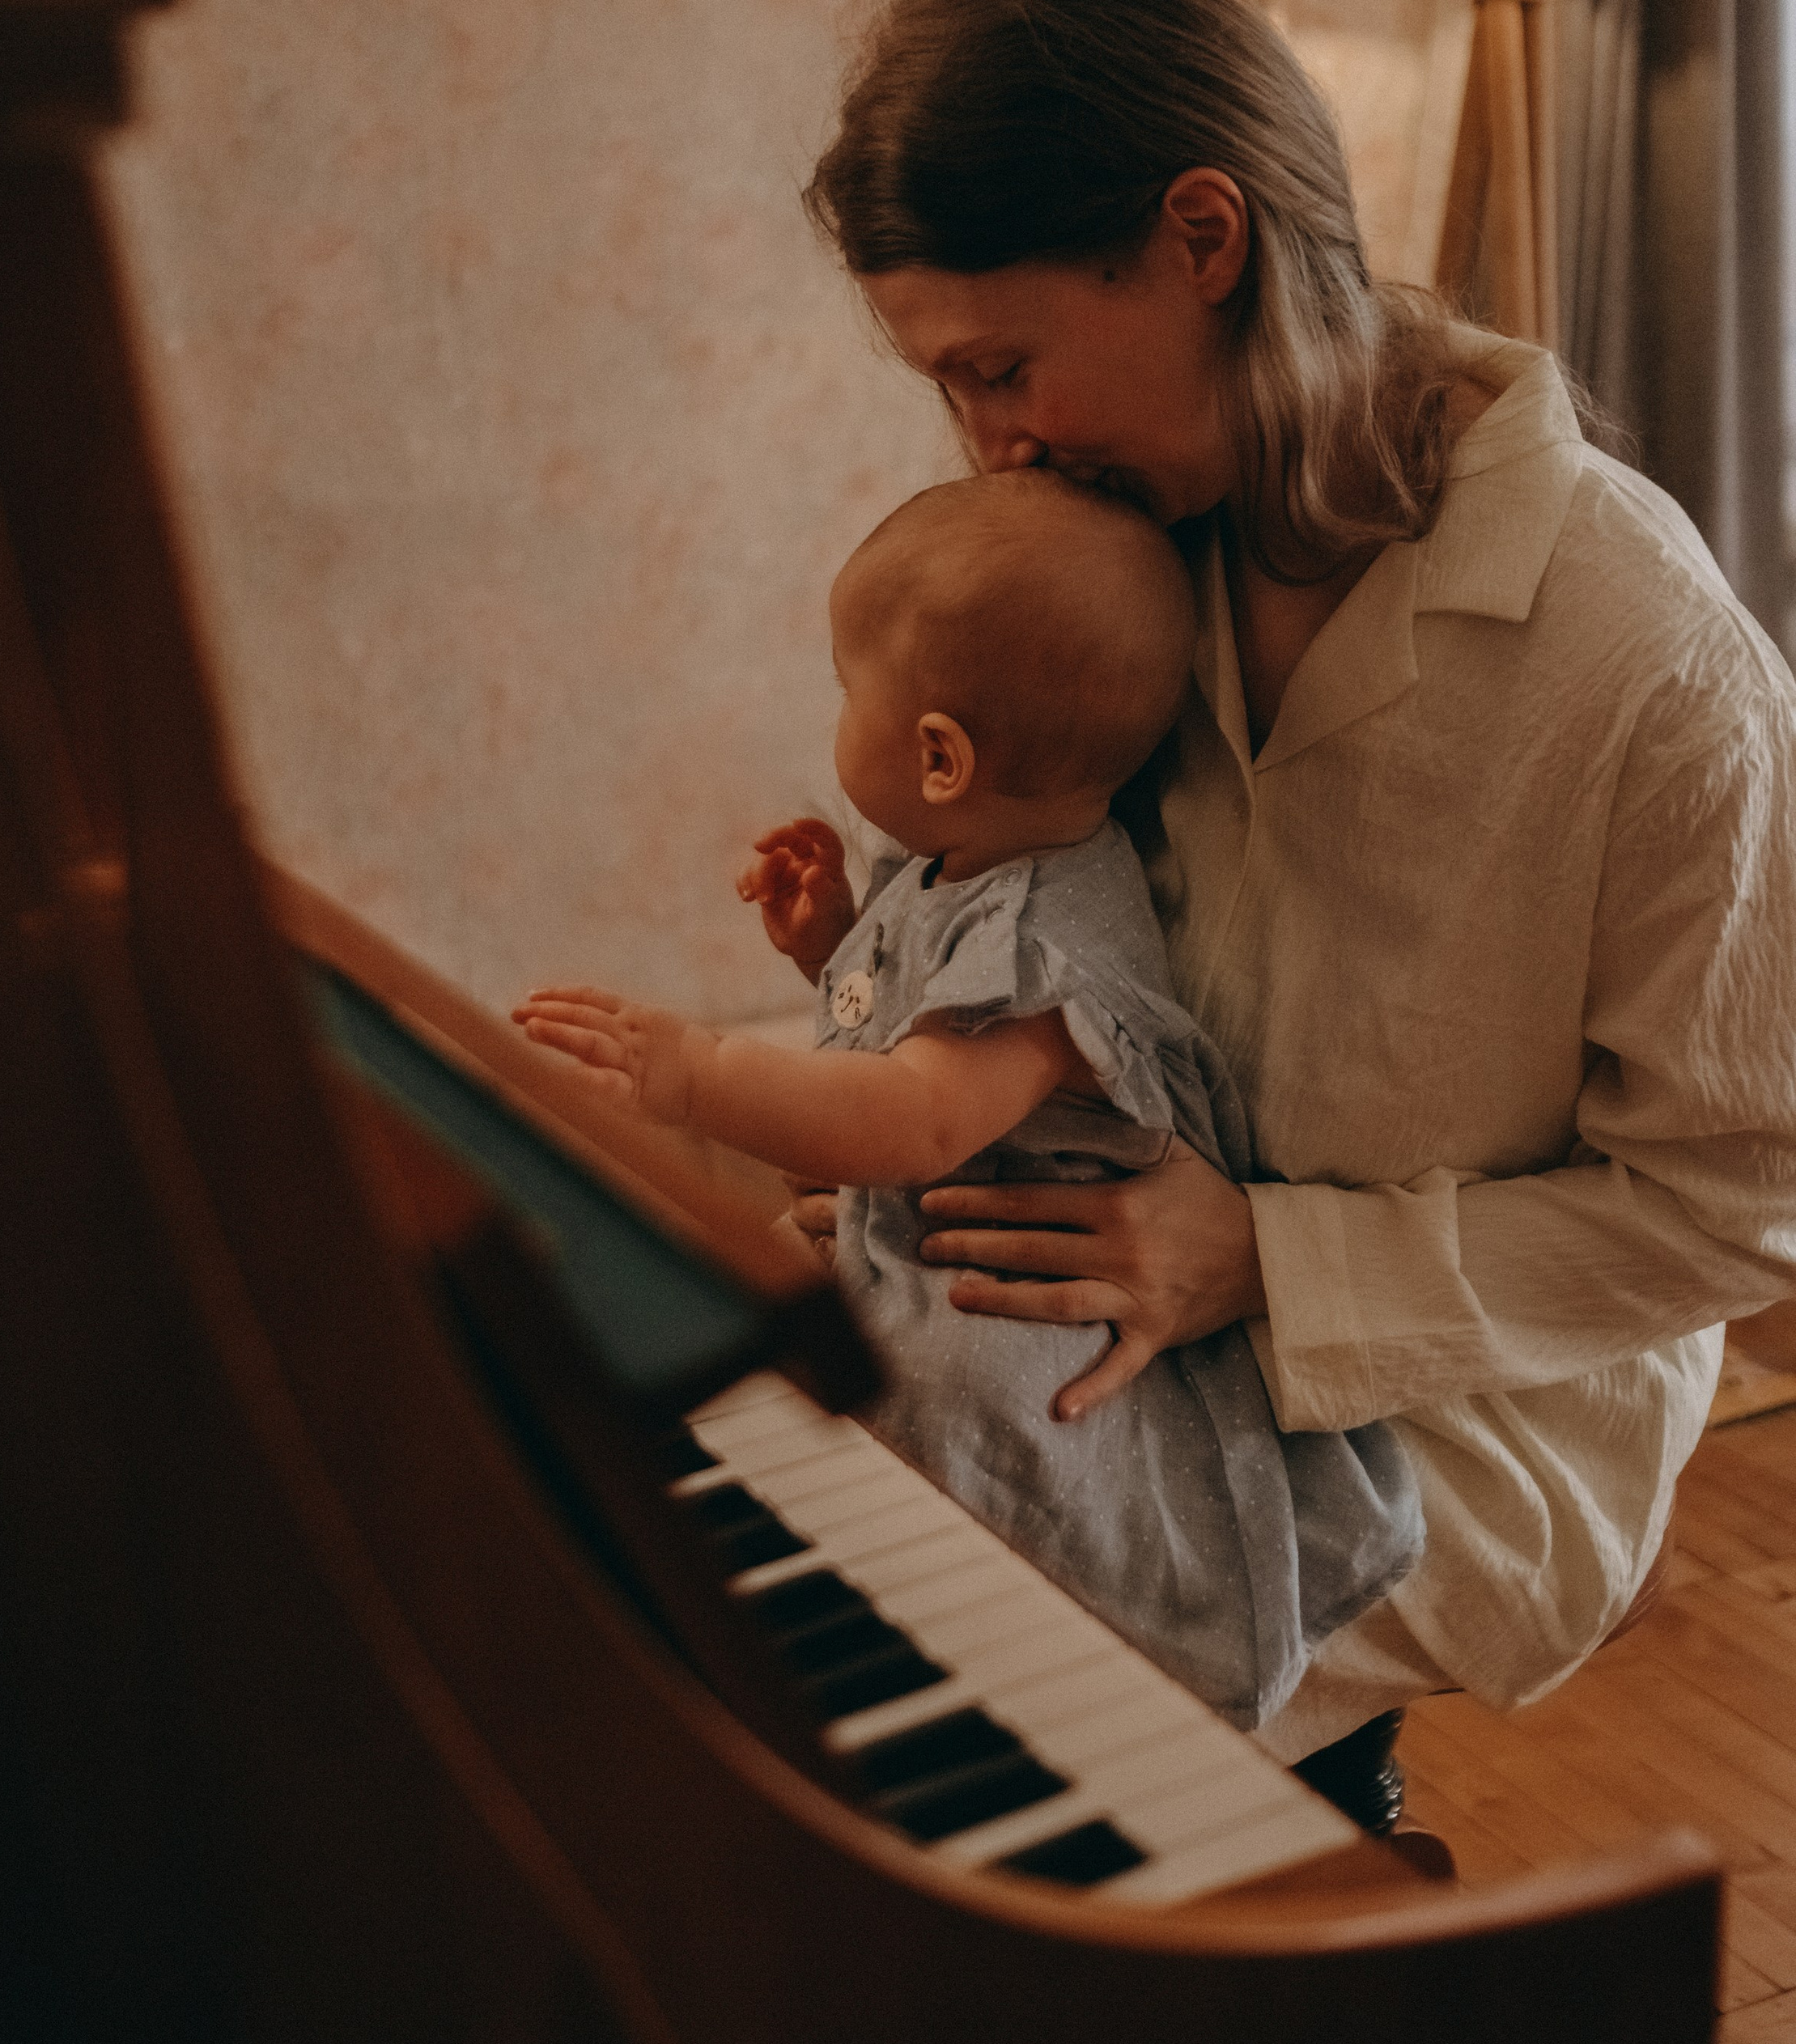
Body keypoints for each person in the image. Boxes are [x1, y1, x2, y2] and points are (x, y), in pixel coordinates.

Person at [793, 0, 1796, 1826]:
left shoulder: (1644, 660)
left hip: (1445, 1418)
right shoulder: (1115, 547)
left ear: (1201, 239)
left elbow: (1744, 1211)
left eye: (1000, 367)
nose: (984, 445)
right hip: (1122, 1303)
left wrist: (1267, 1260)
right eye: (947, 389)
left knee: (911, 1721)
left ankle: (1285, 1994)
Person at [516, 473, 1421, 1731]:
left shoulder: (1052, 935)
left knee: (932, 1395)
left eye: (848, 693)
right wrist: (832, 938)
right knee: (760, 1331)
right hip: (932, 1224)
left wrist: (694, 1072)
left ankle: (939, 1647)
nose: (836, 718)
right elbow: (904, 1015)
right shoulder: (973, 856)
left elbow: (918, 1120)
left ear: (940, 753)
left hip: (1028, 1283)